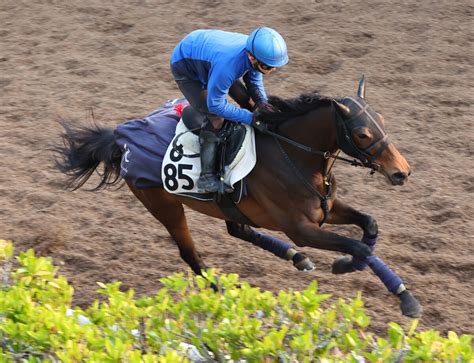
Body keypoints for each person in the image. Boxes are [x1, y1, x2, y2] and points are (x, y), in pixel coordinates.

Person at [170, 27, 289, 193]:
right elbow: (215, 105)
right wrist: (250, 118)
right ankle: (207, 178)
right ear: (252, 57)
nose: (273, 70)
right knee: (216, 117)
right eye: (269, 66)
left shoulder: (252, 54)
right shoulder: (228, 66)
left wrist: (263, 104)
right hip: (187, 68)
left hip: (211, 59)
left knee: (247, 100)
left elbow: (254, 80)